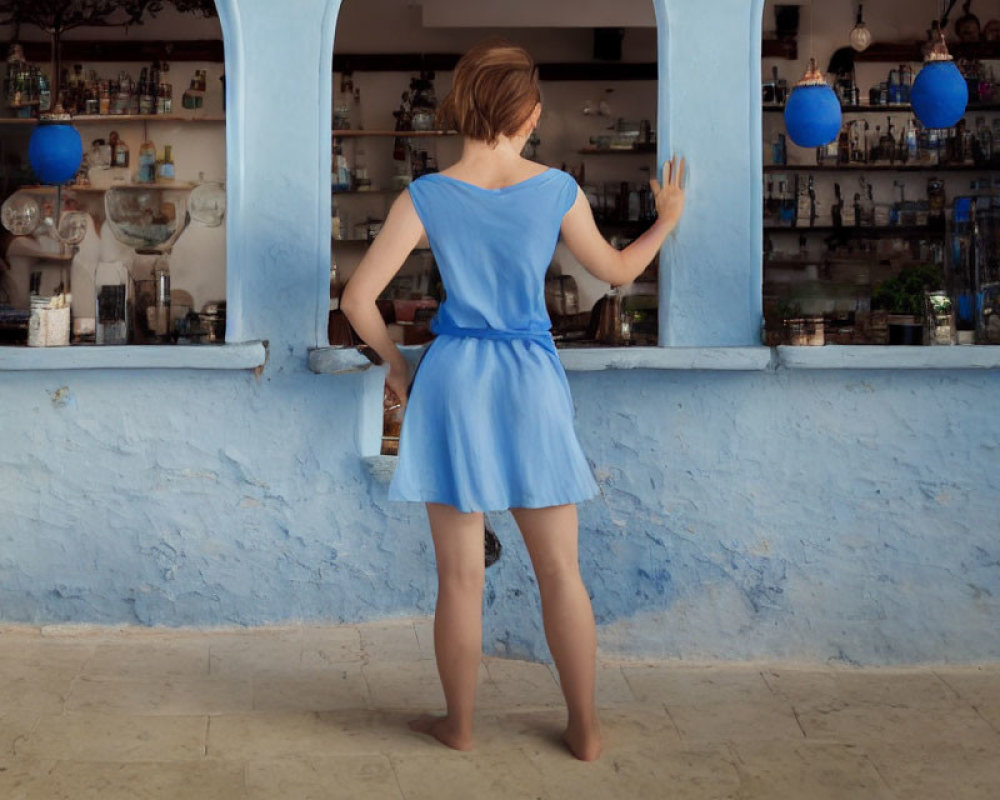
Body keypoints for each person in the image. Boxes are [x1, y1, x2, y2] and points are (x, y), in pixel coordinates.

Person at [341, 37, 686, 762]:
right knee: (561, 571)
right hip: (529, 378)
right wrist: (666, 218)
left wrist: (400, 367)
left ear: (465, 106)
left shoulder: (425, 195)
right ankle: (585, 729)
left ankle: (459, 726)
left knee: (461, 576)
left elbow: (357, 298)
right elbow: (617, 273)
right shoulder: (556, 188)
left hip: (454, 377)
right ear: (526, 113)